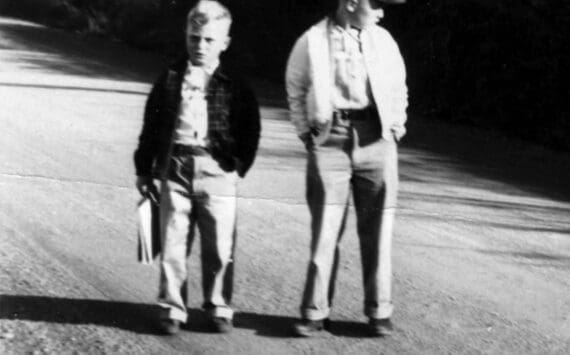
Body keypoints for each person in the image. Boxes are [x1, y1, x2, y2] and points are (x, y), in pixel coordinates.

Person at [134, 0, 260, 335]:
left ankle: (218, 305)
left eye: (208, 40)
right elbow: (152, 125)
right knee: (174, 241)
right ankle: (172, 307)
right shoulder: (171, 77)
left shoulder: (234, 83)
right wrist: (144, 168)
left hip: (217, 169)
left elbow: (250, 129)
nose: (200, 46)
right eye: (194, 38)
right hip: (175, 166)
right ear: (185, 37)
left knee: (219, 245)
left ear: (224, 42)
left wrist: (238, 166)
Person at [285, 0, 408, 337]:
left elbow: (399, 84)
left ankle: (379, 310)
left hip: (376, 138)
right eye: (377, 4)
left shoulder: (383, 40)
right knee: (326, 227)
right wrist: (306, 134)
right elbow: (295, 88)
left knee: (379, 227)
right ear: (351, 3)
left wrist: (396, 126)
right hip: (331, 138)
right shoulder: (311, 40)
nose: (382, 12)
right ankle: (315, 310)